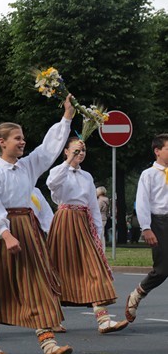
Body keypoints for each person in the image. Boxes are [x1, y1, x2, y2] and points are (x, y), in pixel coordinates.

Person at [0, 94, 75, 354]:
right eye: (17, 138)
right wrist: (7, 234)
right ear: (2, 143)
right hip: (3, 233)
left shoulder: (27, 166)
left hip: (27, 229)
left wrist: (66, 118)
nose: (22, 141)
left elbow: (48, 149)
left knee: (38, 281)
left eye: (22, 137)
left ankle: (48, 343)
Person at [46, 137, 127, 334]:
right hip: (65, 220)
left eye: (83, 151)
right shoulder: (59, 171)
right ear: (66, 151)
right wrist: (67, 162)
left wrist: (98, 234)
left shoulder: (87, 176)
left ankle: (104, 319)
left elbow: (92, 205)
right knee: (58, 268)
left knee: (94, 266)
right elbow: (52, 184)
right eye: (76, 150)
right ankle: (51, 318)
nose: (80, 154)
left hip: (83, 221)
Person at [124, 133, 168, 323]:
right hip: (159, 222)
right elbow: (142, 202)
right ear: (157, 151)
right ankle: (138, 294)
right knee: (162, 269)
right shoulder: (148, 174)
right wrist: (146, 228)